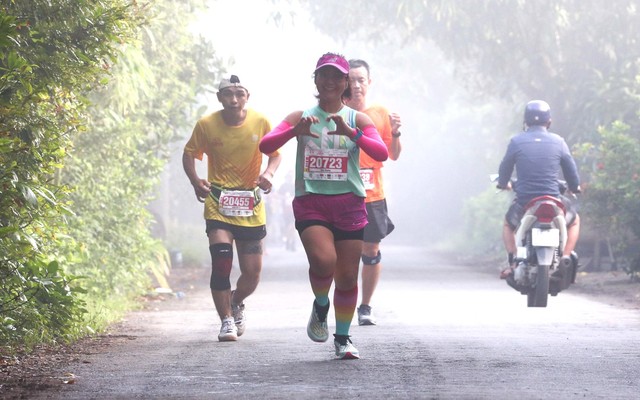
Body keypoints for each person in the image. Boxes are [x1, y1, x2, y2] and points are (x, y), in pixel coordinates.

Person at [259, 52, 388, 360]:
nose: (330, 82)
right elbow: (266, 145)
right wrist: (295, 132)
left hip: (349, 203)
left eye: (336, 77)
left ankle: (342, 338)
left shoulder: (359, 119)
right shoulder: (300, 117)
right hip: (312, 202)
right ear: (315, 80)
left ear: (345, 82)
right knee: (323, 261)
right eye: (323, 76)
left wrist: (351, 134)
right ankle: (320, 304)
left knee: (346, 276)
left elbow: (381, 152)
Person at [182, 74, 281, 342]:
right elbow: (189, 153)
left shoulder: (260, 122)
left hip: (250, 203)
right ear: (219, 98)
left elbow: (275, 153)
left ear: (247, 97)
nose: (234, 99)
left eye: (239, 93)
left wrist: (269, 174)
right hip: (218, 202)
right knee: (222, 263)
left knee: (252, 273)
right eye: (228, 94)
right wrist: (195, 181)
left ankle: (236, 301)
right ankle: (226, 320)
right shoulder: (207, 124)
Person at [344, 59, 402, 326]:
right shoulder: (335, 112)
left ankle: (365, 306)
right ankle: (339, 301)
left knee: (371, 249)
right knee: (343, 251)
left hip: (372, 195)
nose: (356, 86)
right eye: (351, 80)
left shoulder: (380, 113)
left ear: (369, 82)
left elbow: (393, 155)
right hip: (341, 193)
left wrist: (397, 133)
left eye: (361, 80)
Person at [497, 100, 581, 278]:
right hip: (553, 200)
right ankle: (565, 257)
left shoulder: (516, 141)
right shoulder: (559, 142)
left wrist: (503, 183)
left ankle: (513, 262)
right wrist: (574, 187)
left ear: (525, 122)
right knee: (574, 221)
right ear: (549, 122)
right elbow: (570, 169)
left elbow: (505, 168)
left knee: (507, 225)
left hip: (525, 201)